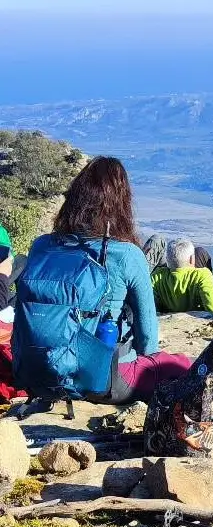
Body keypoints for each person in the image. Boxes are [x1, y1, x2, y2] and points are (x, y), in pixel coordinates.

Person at [22, 157, 192, 402]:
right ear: (121, 204)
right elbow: (148, 340)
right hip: (104, 382)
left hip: (38, 374)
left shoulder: (42, 247)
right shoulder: (126, 255)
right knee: (182, 365)